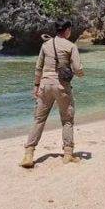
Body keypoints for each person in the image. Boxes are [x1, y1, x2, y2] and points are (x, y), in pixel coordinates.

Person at [21, 19, 84, 168]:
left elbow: (38, 68)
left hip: (45, 85)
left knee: (39, 119)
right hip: (62, 86)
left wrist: (36, 85)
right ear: (67, 29)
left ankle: (28, 153)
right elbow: (77, 69)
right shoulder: (71, 46)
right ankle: (68, 154)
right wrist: (81, 73)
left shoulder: (46, 45)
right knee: (67, 120)